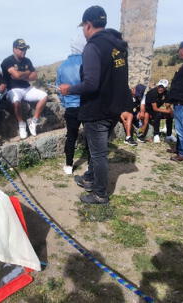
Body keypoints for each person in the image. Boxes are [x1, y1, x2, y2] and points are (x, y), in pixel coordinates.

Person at [59, 6, 130, 204]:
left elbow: (91, 83)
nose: (83, 31)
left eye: (83, 27)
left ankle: (100, 193)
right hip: (114, 108)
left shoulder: (93, 47)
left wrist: (68, 90)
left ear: (88, 25)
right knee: (97, 149)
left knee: (98, 154)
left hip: (98, 109)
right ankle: (90, 178)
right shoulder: (119, 46)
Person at [1, 39, 48, 139]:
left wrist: (22, 75)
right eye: (21, 49)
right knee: (16, 101)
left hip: (27, 88)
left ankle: (33, 121)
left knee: (44, 96)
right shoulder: (7, 61)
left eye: (25, 49)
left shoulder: (27, 60)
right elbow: (16, 75)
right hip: (13, 89)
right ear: (14, 49)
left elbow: (35, 76)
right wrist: (27, 73)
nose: (24, 51)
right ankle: (21, 124)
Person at [56, 34, 86, 175]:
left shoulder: (62, 67)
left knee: (71, 136)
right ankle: (91, 164)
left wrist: (65, 103)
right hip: (87, 105)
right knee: (91, 136)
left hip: (71, 107)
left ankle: (68, 165)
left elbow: (59, 90)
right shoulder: (87, 62)